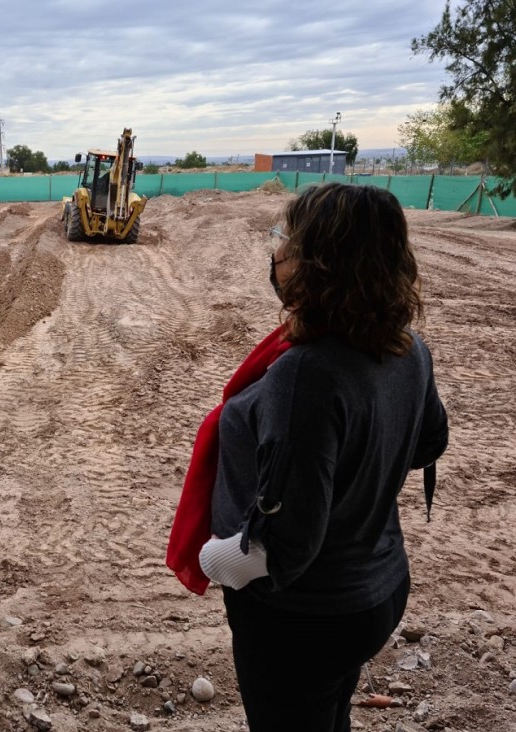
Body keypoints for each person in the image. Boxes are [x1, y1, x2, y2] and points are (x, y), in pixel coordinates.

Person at [170, 182, 449, 732]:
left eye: (285, 237)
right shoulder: (405, 346)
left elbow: (288, 544)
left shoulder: (306, 374)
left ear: (320, 262)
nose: (276, 250)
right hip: (378, 585)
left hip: (305, 617)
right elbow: (428, 442)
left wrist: (217, 559)